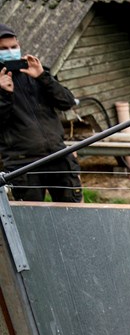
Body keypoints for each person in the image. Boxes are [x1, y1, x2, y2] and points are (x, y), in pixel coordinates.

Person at [0, 23, 82, 202]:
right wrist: (4, 94)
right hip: (22, 162)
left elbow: (66, 102)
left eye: (13, 47)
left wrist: (43, 77)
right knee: (31, 221)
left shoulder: (36, 71)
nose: (10, 51)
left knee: (74, 216)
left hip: (57, 155)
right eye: (4, 49)